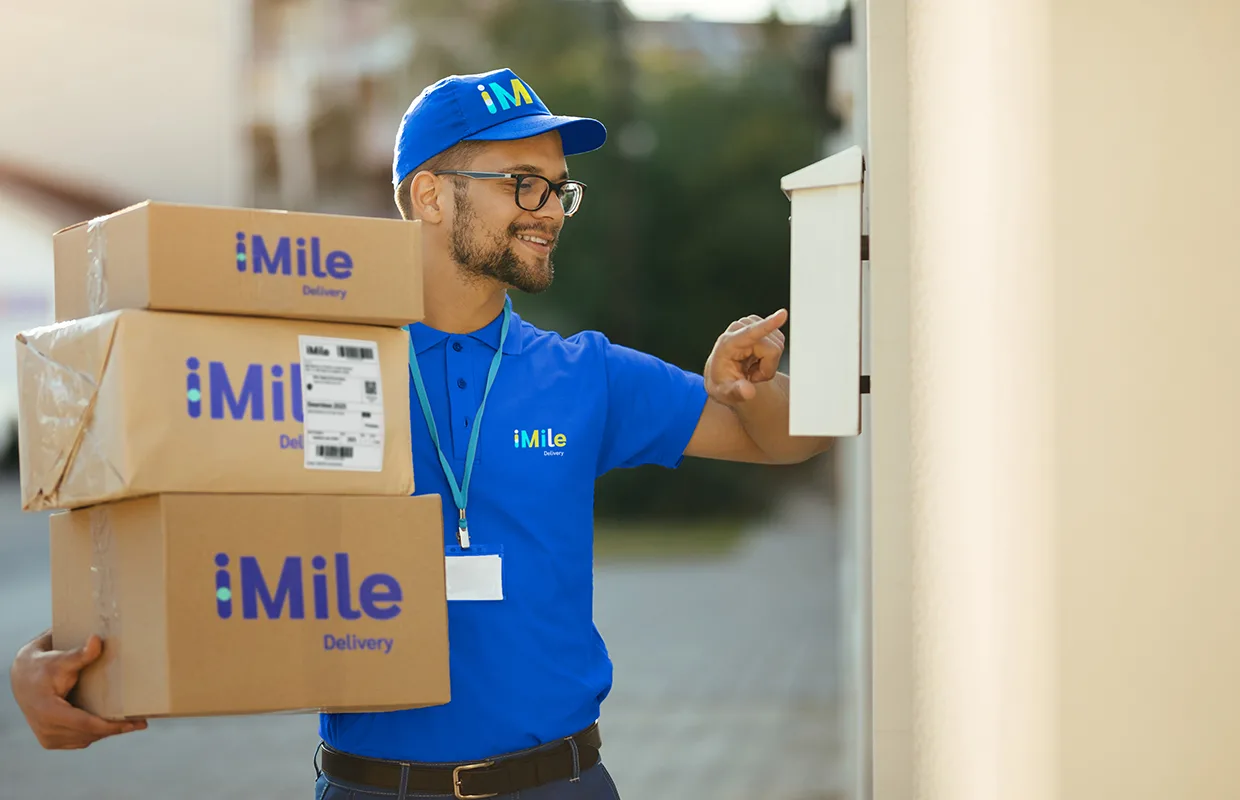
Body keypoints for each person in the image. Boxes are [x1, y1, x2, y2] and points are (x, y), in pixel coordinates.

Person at [8, 68, 833, 798]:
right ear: (433, 195)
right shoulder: (307, 366)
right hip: (373, 789)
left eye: (559, 187)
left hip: (561, 785)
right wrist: (50, 661)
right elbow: (161, 523)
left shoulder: (586, 373)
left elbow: (790, 439)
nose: (550, 210)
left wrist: (747, 392)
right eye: (523, 182)